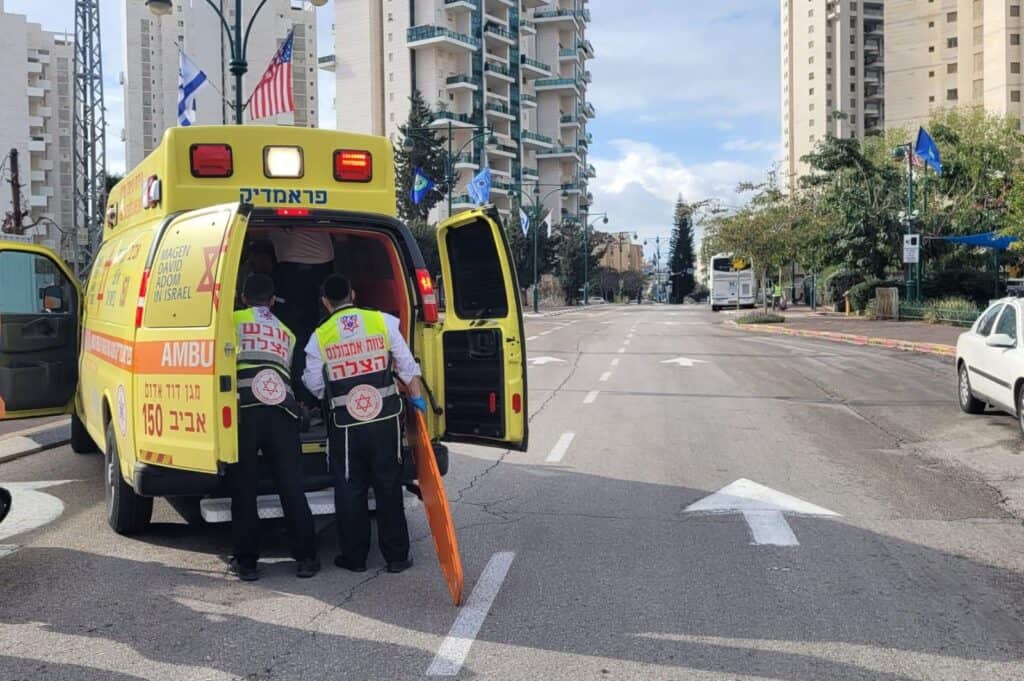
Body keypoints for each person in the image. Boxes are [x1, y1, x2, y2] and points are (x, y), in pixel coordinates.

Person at [302, 275, 427, 574]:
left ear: (325, 303)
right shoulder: (382, 322)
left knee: (350, 490)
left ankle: (355, 558)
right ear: (353, 293)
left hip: (346, 427)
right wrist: (417, 401)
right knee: (388, 486)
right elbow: (407, 366)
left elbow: (314, 383)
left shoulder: (320, 336)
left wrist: (337, 392)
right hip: (384, 421)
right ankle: (396, 557)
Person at [230, 274, 319, 582]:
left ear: (242, 297)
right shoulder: (287, 333)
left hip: (244, 412)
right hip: (281, 410)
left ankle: (247, 563)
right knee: (291, 485)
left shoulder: (229, 321)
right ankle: (307, 559)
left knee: (244, 487)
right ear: (271, 301)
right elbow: (289, 374)